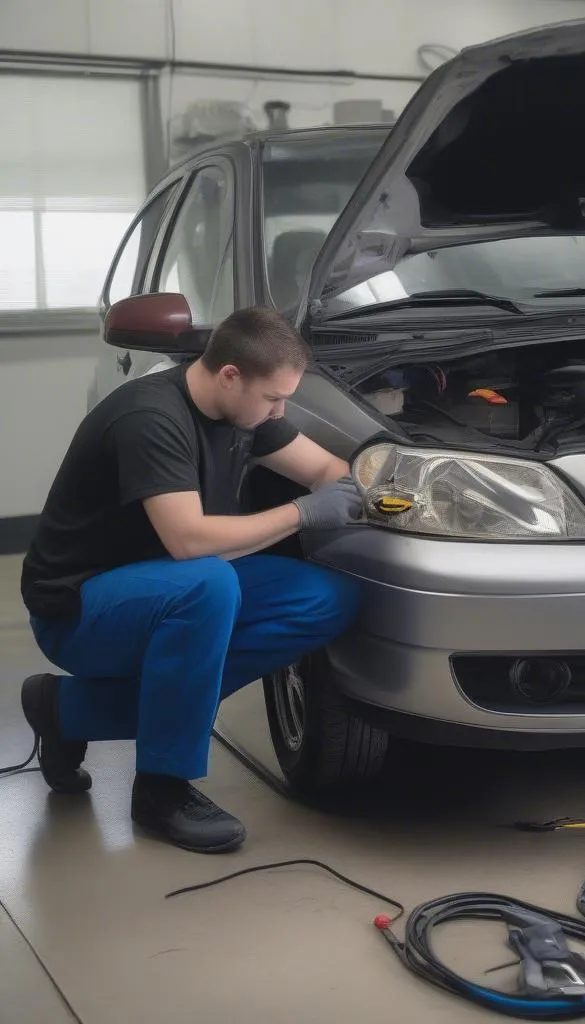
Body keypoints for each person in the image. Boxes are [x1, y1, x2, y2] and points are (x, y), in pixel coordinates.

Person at [19, 307, 364, 854]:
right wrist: (304, 513)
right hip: (80, 609)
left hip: (169, 584)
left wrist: (366, 490)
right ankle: (161, 789)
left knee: (325, 598)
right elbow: (188, 541)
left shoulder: (244, 411)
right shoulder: (151, 419)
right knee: (209, 583)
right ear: (231, 375)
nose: (281, 410)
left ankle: (67, 711)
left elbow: (326, 471)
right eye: (273, 398)